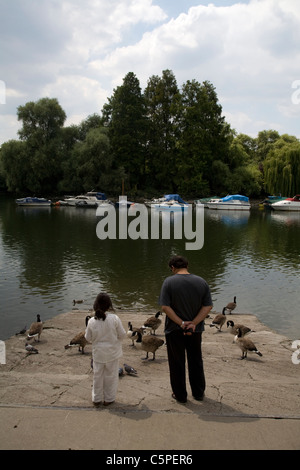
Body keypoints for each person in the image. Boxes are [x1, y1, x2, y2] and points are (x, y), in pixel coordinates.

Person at [159, 255, 213, 403]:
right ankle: (198, 393)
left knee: (177, 362)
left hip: (174, 329)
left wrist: (181, 322)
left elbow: (165, 307)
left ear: (172, 268)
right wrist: (194, 322)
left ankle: (180, 395)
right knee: (195, 360)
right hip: (195, 330)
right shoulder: (201, 282)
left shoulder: (169, 282)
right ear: (187, 266)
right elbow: (208, 306)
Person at [85, 293, 126, 407]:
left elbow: (87, 338)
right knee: (111, 377)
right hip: (112, 354)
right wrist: (115, 339)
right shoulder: (114, 319)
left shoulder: (91, 321)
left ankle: (96, 399)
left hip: (98, 354)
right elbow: (122, 335)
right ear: (109, 306)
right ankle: (108, 398)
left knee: (97, 376)